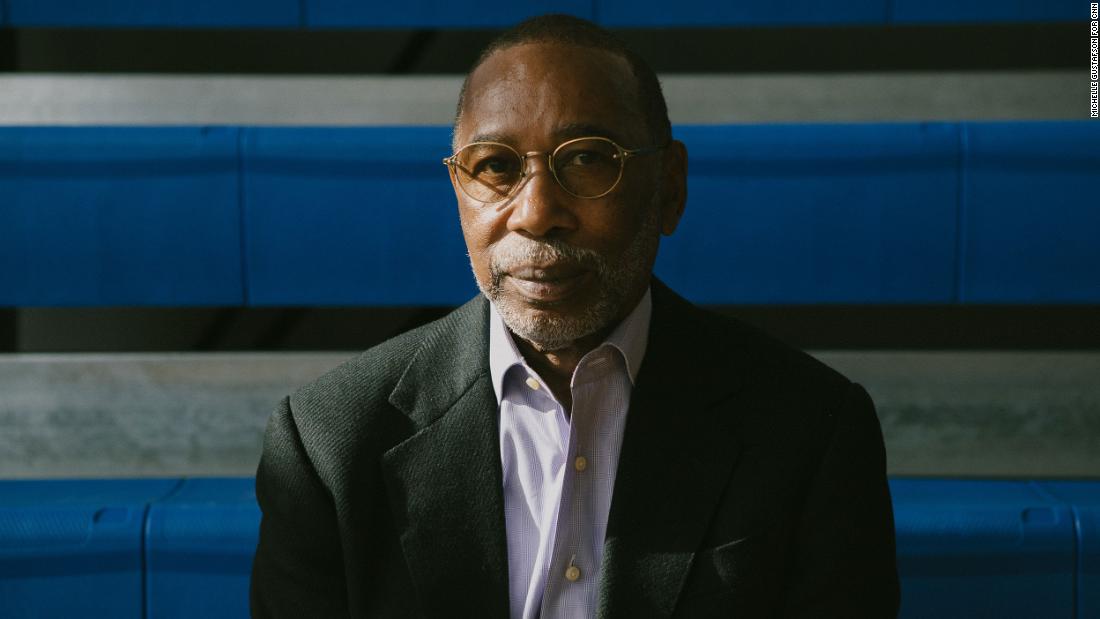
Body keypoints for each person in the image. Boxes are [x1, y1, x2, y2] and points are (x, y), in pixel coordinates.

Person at [250, 14, 899, 619]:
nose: (535, 212)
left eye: (588, 158)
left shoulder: (812, 433)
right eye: (496, 166)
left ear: (669, 188)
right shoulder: (328, 446)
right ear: (458, 190)